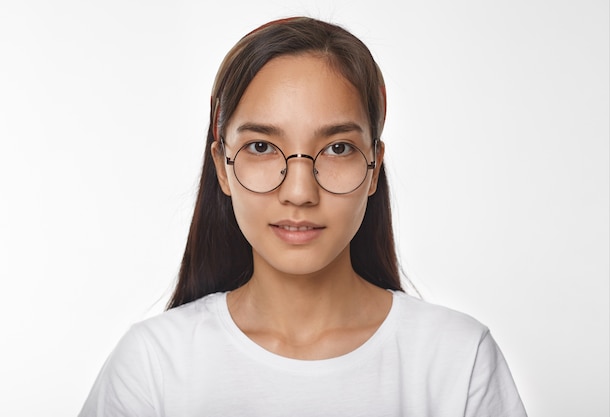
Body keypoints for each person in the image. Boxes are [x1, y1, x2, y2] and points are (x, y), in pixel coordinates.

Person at [79, 16, 527, 416]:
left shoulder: (458, 360)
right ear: (222, 165)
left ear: (374, 167)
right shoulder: (153, 366)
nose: (299, 192)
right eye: (260, 146)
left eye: (337, 148)